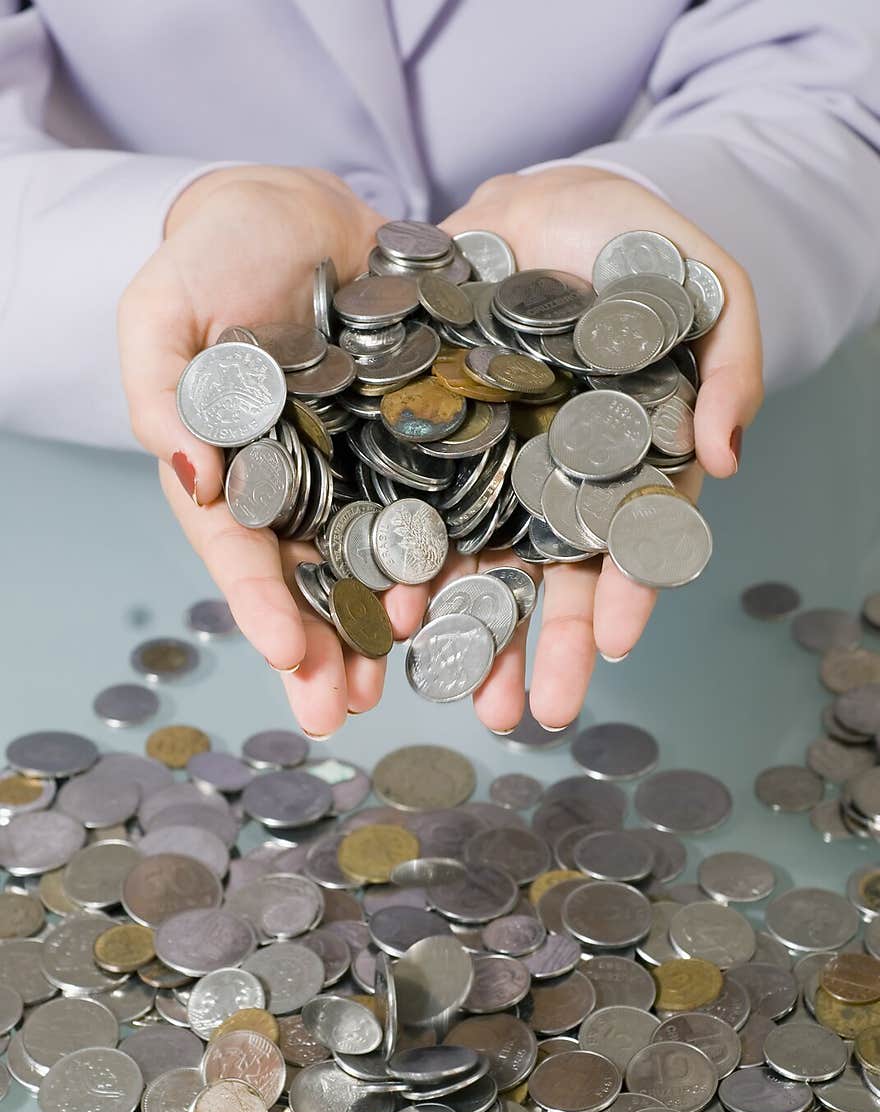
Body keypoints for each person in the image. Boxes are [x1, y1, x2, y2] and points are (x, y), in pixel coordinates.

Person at [1, 2, 879, 739]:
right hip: (74, 519)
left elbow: (831, 72)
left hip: (792, 485)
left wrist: (648, 246)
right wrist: (177, 222)